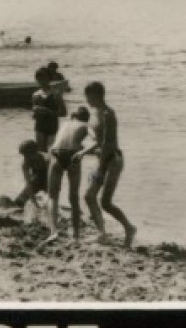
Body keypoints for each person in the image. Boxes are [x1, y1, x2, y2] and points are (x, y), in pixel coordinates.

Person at [82, 81, 137, 248]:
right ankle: (102, 234)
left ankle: (129, 228)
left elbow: (107, 143)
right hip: (103, 160)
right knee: (89, 196)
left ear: (97, 95)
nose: (87, 99)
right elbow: (98, 140)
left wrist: (100, 167)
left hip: (112, 160)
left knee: (105, 202)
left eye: (88, 96)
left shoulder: (108, 113)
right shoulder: (97, 113)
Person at [45, 105, 94, 244]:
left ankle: (53, 231)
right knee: (73, 197)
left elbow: (59, 141)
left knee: (52, 196)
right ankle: (76, 236)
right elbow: (96, 141)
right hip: (73, 156)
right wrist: (83, 151)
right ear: (86, 118)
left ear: (73, 116)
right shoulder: (85, 125)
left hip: (56, 153)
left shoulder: (65, 123)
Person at [31, 65, 67, 153]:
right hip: (39, 126)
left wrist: (48, 112)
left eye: (43, 78)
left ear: (49, 79)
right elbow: (34, 116)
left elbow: (64, 113)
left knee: (52, 152)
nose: (41, 81)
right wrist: (35, 113)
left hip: (52, 126)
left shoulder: (56, 94)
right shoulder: (35, 95)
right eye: (39, 79)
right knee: (40, 152)